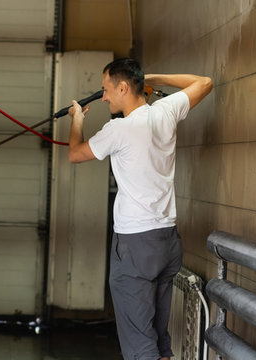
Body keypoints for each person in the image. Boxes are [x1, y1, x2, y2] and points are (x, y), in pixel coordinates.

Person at [66, 58, 212, 360]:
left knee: (140, 343)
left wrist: (77, 119)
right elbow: (205, 82)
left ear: (123, 87)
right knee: (157, 340)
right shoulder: (165, 111)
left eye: (106, 90)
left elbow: (76, 154)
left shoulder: (118, 129)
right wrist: (153, 78)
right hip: (167, 242)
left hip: (135, 245)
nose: (104, 97)